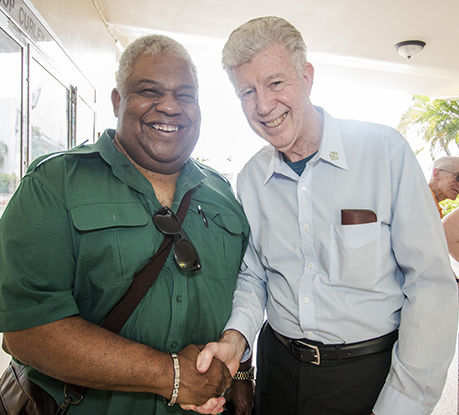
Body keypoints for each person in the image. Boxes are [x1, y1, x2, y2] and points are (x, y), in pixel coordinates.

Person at [0, 35, 250, 415]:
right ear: (118, 101)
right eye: (149, 91)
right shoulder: (55, 183)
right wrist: (171, 374)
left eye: (185, 95)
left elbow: (246, 290)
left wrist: (242, 372)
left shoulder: (224, 194)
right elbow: (27, 331)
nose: (169, 106)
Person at [185, 16, 458, 415]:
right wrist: (235, 337)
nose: (263, 105)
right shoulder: (251, 178)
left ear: (307, 76)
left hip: (366, 377)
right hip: (278, 370)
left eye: (276, 83)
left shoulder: (385, 153)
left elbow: (431, 285)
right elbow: (255, 274)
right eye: (247, 91)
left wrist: (404, 403)